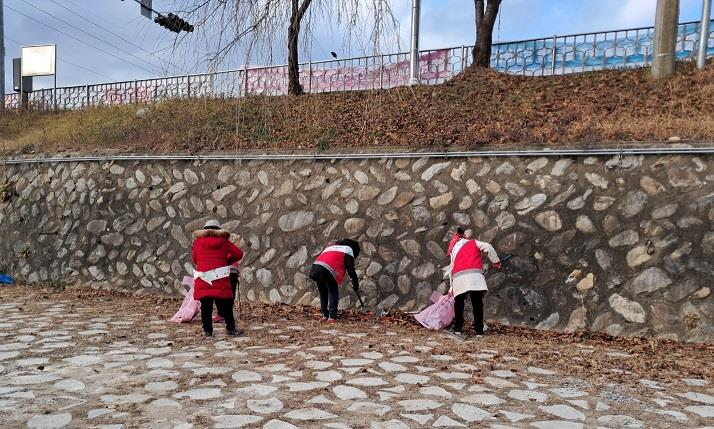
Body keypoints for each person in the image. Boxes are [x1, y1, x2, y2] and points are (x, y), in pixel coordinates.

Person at [192, 220, 244, 338]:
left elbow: (195, 260)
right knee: (225, 305)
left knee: (206, 306)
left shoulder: (197, 242)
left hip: (203, 278)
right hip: (220, 277)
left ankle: (208, 332)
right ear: (219, 230)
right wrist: (227, 261)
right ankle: (231, 329)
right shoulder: (224, 242)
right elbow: (239, 254)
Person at [446, 227, 501, 339]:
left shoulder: (453, 249)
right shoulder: (473, 242)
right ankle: (479, 331)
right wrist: (496, 261)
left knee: (459, 304)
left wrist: (451, 287)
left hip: (459, 278)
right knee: (477, 303)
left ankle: (458, 329)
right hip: (475, 276)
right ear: (464, 236)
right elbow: (488, 246)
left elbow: (451, 269)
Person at [309, 238, 360, 323]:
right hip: (328, 270)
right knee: (333, 292)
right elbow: (351, 270)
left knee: (323, 292)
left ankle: (324, 315)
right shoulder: (348, 249)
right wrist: (356, 284)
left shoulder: (330, 247)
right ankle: (332, 317)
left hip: (315, 268)